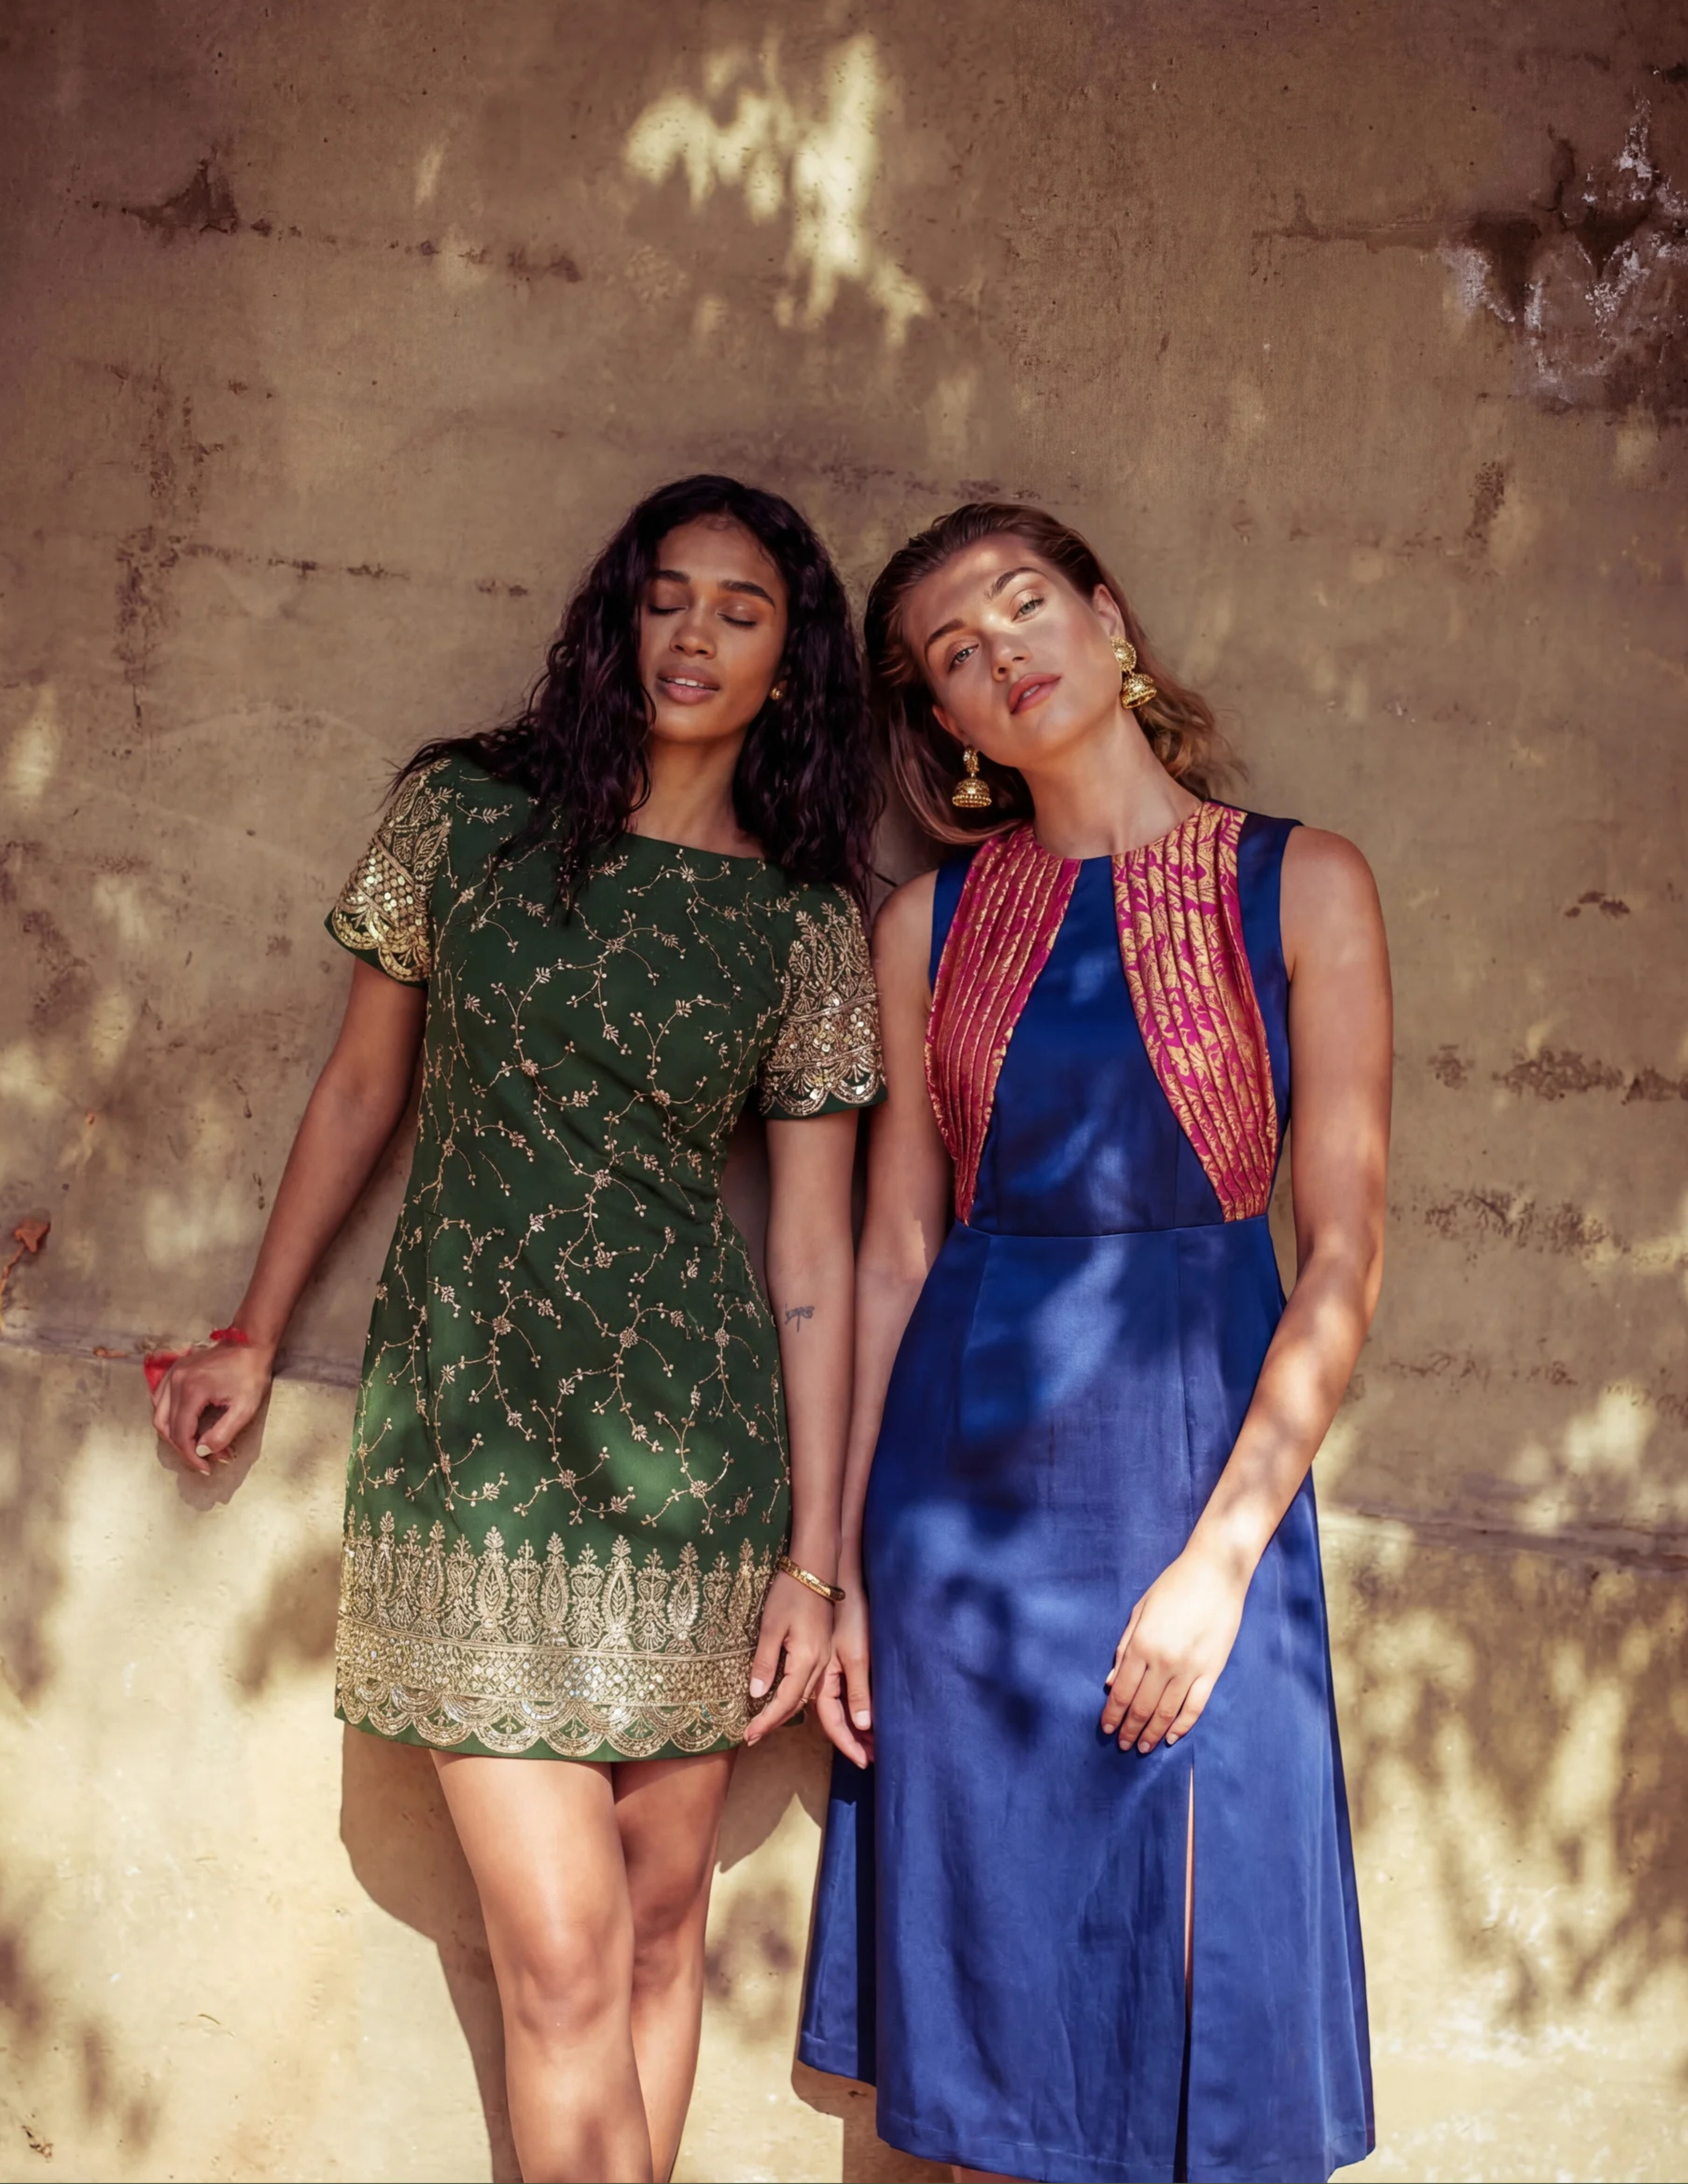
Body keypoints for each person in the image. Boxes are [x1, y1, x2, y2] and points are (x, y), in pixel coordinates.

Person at [150, 476, 884, 2184]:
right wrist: (256, 1328)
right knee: (557, 1963)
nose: (693, 633)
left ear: (796, 666)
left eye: (742, 610)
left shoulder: (805, 922)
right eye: (666, 595)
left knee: (645, 1940)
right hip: (472, 1439)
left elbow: (817, 1256)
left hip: (694, 1464)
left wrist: (815, 1560)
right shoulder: (459, 815)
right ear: (618, 613)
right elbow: (359, 1090)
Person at [799, 502, 1388, 2184]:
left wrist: (1216, 1570)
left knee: (1192, 2033)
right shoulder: (930, 924)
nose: (1006, 658)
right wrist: (839, 1567)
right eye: (956, 658)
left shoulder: (1308, 882)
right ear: (947, 724)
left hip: (1201, 1493)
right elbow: (898, 1247)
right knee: (993, 2080)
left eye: (1026, 605)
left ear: (1108, 616)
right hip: (958, 1525)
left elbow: (1342, 1257)